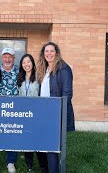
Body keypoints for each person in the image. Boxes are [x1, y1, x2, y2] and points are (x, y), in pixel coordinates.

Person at [36, 42, 75, 173]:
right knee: (43, 144)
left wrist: (58, 113)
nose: (49, 53)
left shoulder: (63, 68)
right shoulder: (45, 69)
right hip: (43, 112)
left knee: (51, 146)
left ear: (56, 53)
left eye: (51, 51)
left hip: (55, 113)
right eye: (46, 51)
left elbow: (67, 93)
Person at [17, 54, 49, 173]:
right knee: (27, 141)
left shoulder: (39, 77)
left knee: (38, 141)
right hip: (23, 115)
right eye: (24, 62)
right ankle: (29, 165)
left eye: (28, 62)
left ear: (32, 63)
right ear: (21, 65)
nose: (26, 64)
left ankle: (43, 166)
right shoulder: (19, 78)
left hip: (37, 114)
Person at [0, 47, 19, 173]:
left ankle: (11, 161)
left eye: (10, 57)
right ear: (1, 58)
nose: (7, 59)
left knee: (12, 134)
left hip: (15, 109)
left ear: (14, 59)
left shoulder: (18, 71)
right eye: (5, 56)